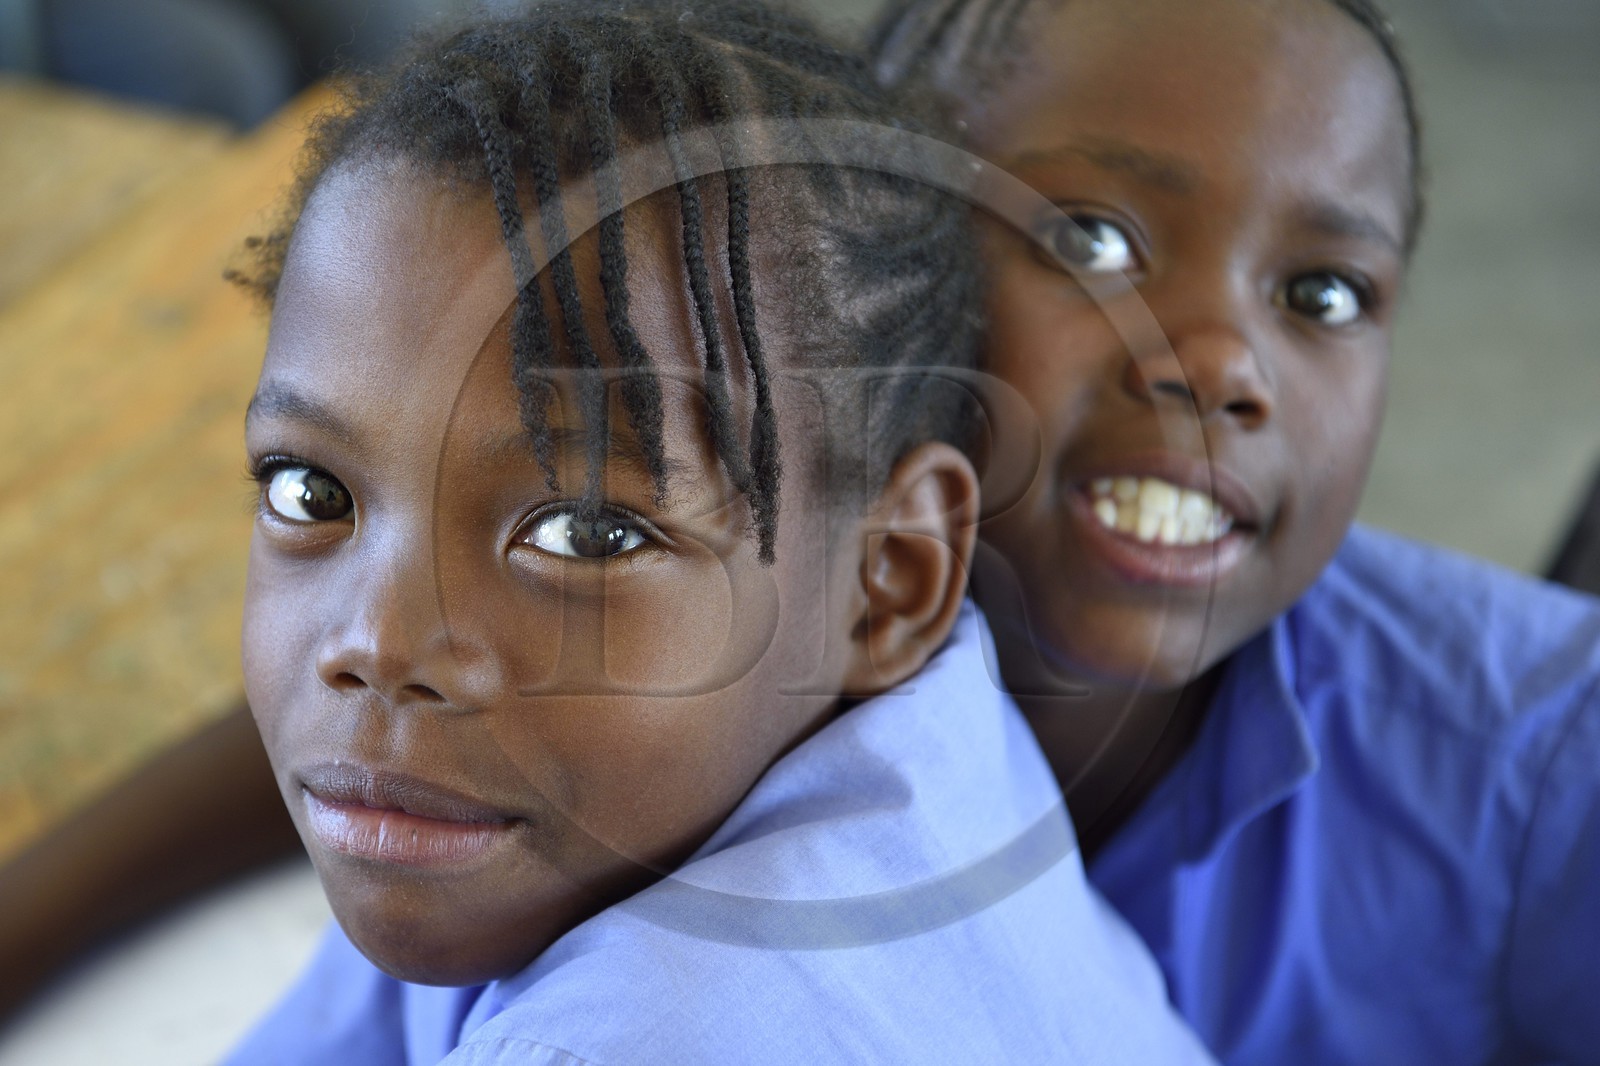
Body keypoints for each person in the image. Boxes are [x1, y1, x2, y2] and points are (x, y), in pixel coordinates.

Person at [220, 1, 1213, 1061]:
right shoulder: (919, 742)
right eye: (311, 493)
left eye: (586, 533)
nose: (376, 643)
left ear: (890, 582)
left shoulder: (643, 1034)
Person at [869, 0, 1600, 1063]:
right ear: (864, 254)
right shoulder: (667, 715)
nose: (1217, 363)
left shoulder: (1540, 761)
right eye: (1092, 239)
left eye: (1322, 292)